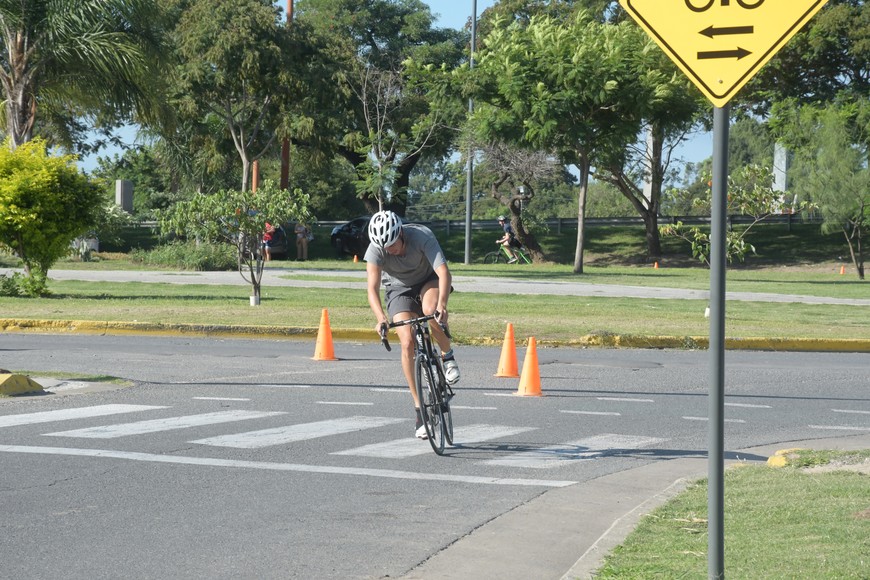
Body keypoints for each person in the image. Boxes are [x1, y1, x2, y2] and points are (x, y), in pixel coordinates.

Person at [364, 210, 460, 439]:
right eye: (384, 247)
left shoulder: (421, 236)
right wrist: (380, 318)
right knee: (406, 342)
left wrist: (443, 305)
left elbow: (444, 272)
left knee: (430, 312)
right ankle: (419, 410)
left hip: (429, 280)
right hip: (398, 289)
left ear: (401, 234)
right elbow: (372, 289)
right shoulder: (375, 250)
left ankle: (447, 357)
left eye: (392, 244)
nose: (389, 250)